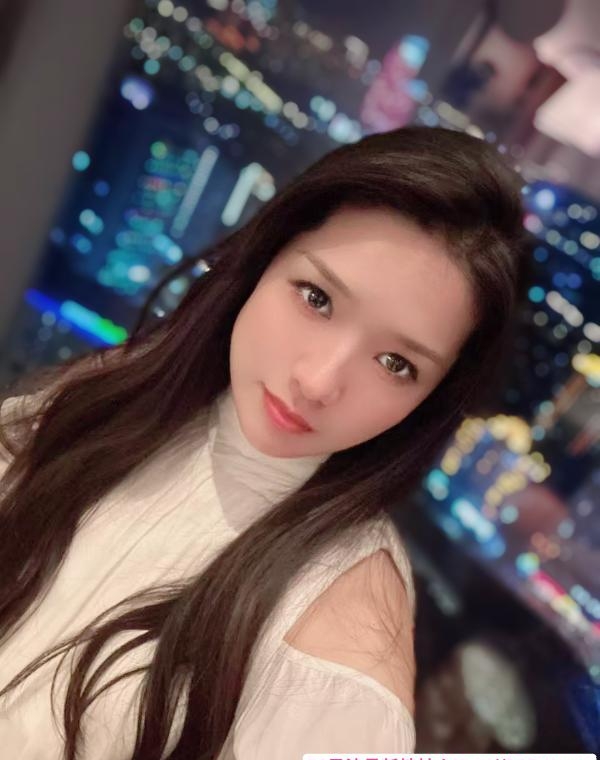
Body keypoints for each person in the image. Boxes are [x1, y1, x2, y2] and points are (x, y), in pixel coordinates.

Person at [0, 126, 529, 759]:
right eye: (317, 298)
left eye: (396, 364)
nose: (318, 381)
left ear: (431, 401)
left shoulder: (340, 650)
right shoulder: (109, 401)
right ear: (265, 258)